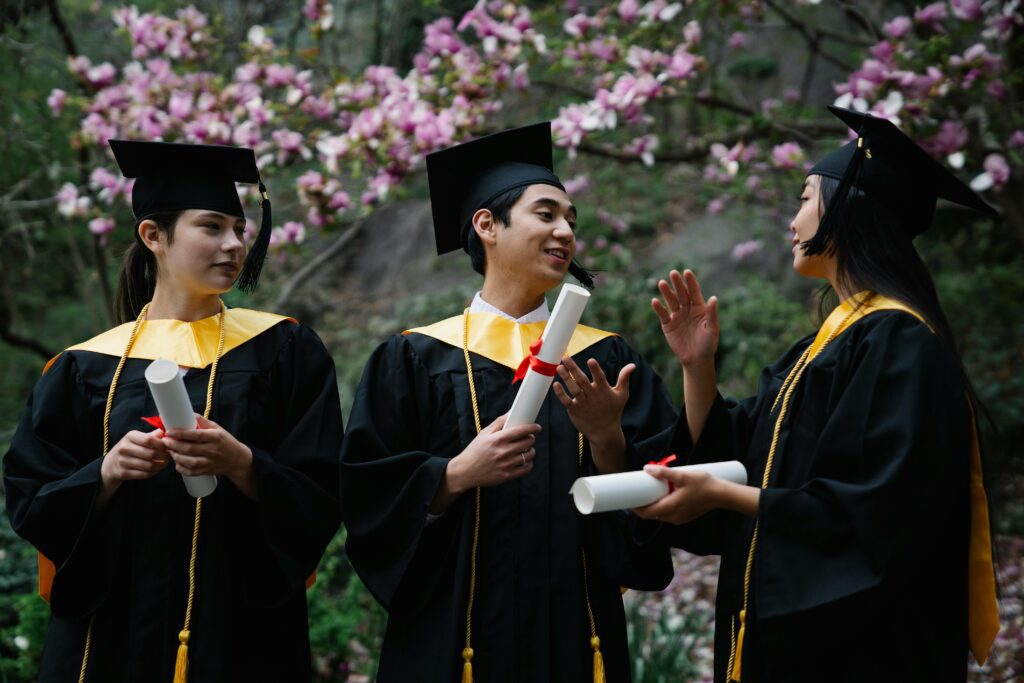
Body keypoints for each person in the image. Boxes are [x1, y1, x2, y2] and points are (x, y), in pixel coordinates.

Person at [635, 106, 1001, 682]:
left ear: (849, 208)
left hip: (864, 649)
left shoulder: (900, 342)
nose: (793, 221)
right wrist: (698, 367)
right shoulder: (824, 346)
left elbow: (877, 511)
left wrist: (726, 497)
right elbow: (743, 450)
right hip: (791, 638)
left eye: (806, 198)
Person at [340, 122, 675, 682]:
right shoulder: (414, 359)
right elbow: (366, 499)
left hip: (576, 634)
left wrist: (606, 438)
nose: (565, 231)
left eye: (571, 219)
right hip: (453, 640)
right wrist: (451, 476)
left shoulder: (606, 361)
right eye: (546, 214)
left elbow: (658, 501)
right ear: (487, 225)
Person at [3, 140, 343, 683]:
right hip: (109, 638)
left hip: (241, 635)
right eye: (211, 226)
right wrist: (107, 473)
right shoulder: (82, 367)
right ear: (153, 236)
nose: (233, 243)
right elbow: (31, 498)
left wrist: (242, 463)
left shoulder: (284, 351)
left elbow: (324, 493)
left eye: (239, 227)